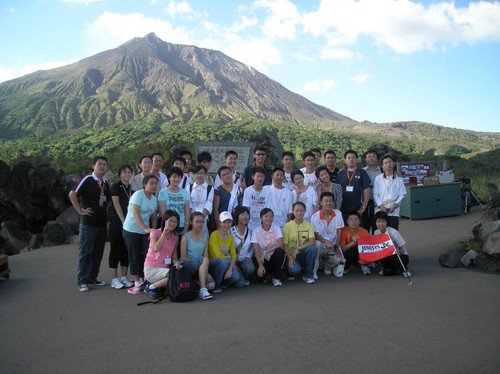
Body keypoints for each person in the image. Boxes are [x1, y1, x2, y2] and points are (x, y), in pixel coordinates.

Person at [69, 156, 111, 292]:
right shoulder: (88, 179)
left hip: (101, 223)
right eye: (100, 164)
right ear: (93, 166)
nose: (102, 167)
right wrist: (80, 211)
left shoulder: (105, 183)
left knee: (97, 252)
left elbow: (107, 201)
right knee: (86, 252)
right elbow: (72, 194)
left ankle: (93, 277)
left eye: (105, 164)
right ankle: (82, 280)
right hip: (88, 223)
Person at [122, 175, 158, 295]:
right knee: (134, 255)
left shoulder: (154, 199)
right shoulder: (137, 195)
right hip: (131, 230)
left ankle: (144, 278)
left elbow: (153, 217)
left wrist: (153, 229)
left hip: (145, 231)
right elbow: (136, 213)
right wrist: (145, 228)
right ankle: (136, 282)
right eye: (151, 183)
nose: (153, 186)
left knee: (147, 255)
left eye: (155, 184)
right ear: (144, 184)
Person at [143, 210, 181, 299]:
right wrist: (164, 233)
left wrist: (177, 263)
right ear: (165, 221)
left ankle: (154, 285)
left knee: (178, 275)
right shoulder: (155, 232)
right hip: (151, 268)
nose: (173, 224)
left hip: (165, 270)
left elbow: (174, 257)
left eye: (175, 222)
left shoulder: (175, 237)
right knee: (174, 277)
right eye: (170, 221)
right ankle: (151, 288)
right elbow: (156, 248)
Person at [108, 164, 134, 289]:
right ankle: (114, 278)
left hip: (129, 223)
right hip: (117, 222)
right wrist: (123, 220)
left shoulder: (131, 188)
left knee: (126, 249)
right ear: (120, 174)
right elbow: (116, 204)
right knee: (115, 249)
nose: (127, 174)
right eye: (124, 172)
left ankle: (124, 276)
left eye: (129, 172)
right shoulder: (115, 187)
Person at [179, 212, 215, 300]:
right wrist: (200, 265)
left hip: (200, 265)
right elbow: (183, 257)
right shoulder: (185, 236)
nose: (200, 224)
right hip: (188, 265)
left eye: (202, 222)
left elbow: (205, 254)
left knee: (211, 285)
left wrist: (205, 271)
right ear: (191, 222)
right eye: (197, 222)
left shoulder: (206, 235)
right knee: (204, 260)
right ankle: (202, 289)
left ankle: (196, 283)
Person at [208, 211, 246, 293]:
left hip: (225, 264)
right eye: (224, 222)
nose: (227, 224)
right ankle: (216, 286)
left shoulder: (230, 237)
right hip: (213, 264)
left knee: (236, 277)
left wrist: (230, 269)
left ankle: (221, 282)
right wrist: (228, 261)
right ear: (220, 222)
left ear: (232, 222)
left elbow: (233, 255)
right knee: (222, 262)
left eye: (229, 222)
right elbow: (217, 254)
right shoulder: (214, 234)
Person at [311, 192, 344, 278]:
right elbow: (316, 234)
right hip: (321, 245)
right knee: (317, 245)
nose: (328, 203)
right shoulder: (315, 216)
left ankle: (327, 266)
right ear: (321, 202)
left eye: (330, 201)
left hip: (332, 246)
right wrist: (326, 242)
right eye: (326, 201)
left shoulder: (338, 213)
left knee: (338, 258)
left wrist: (336, 246)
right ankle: (314, 272)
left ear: (333, 202)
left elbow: (339, 231)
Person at [282, 202, 318, 284]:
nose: (299, 213)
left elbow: (312, 241)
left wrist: (298, 248)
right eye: (297, 211)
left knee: (313, 248)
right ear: (293, 211)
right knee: (295, 271)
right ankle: (289, 270)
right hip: (291, 255)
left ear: (305, 211)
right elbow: (284, 245)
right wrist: (290, 258)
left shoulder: (309, 225)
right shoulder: (287, 226)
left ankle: (308, 275)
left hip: (303, 253)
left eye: (301, 211)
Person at [251, 208, 286, 287]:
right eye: (266, 216)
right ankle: (266, 273)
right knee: (261, 279)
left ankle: (276, 277)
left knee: (280, 251)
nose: (268, 218)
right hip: (261, 259)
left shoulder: (276, 228)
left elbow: (280, 243)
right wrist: (260, 266)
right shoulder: (256, 231)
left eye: (271, 216)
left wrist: (265, 252)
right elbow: (256, 251)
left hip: (272, 256)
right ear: (261, 218)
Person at [336, 150, 371, 225]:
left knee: (358, 232)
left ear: (357, 160)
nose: (351, 160)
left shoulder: (362, 172)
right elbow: (336, 190)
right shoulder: (341, 173)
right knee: (344, 231)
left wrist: (363, 207)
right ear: (345, 161)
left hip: (358, 209)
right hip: (343, 208)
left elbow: (367, 190)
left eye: (353, 158)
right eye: (348, 158)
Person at [373, 154, 406, 230]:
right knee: (379, 233)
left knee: (393, 232)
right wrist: (381, 206)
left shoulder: (399, 179)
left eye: (390, 162)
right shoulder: (378, 178)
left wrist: (394, 205)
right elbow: (375, 194)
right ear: (382, 165)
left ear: (394, 164)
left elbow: (402, 195)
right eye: (386, 163)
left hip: (393, 210)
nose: (388, 164)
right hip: (380, 210)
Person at [374, 211, 411, 277]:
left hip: (400, 255)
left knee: (392, 255)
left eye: (383, 221)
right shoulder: (376, 233)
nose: (380, 224)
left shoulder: (393, 232)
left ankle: (404, 270)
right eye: (378, 222)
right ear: (375, 223)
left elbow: (402, 249)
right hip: (386, 255)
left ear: (386, 222)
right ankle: (388, 268)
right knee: (387, 273)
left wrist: (398, 251)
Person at [158, 167, 190, 235]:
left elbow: (187, 211)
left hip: (181, 225)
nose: (177, 179)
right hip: (168, 226)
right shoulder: (163, 192)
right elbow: (163, 213)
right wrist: (167, 226)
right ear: (169, 178)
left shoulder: (185, 192)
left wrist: (186, 226)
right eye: (174, 177)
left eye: (179, 177)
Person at [230, 206, 255, 284]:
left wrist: (248, 256)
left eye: (247, 215)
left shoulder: (250, 231)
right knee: (240, 284)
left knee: (250, 267)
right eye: (243, 215)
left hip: (244, 260)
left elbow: (252, 247)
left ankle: (243, 276)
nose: (245, 217)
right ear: (237, 217)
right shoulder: (230, 231)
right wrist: (232, 263)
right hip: (232, 261)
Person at [186, 165, 214, 230]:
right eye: (197, 173)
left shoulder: (209, 188)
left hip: (204, 218)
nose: (199, 175)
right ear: (194, 174)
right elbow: (188, 203)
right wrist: (192, 218)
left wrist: (201, 218)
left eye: (201, 173)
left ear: (205, 174)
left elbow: (209, 203)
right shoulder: (189, 187)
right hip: (192, 218)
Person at [242, 166, 269, 231]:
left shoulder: (267, 192)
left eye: (262, 177)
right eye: (258, 176)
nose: (260, 178)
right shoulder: (248, 191)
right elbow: (246, 208)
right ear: (253, 177)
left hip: (262, 224)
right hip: (250, 223)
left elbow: (267, 208)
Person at [362, 149, 383, 232]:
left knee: (378, 228)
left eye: (374, 156)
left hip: (380, 203)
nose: (371, 158)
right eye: (369, 157)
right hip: (366, 203)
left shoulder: (383, 171)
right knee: (364, 227)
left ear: (377, 159)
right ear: (366, 159)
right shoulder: (362, 171)